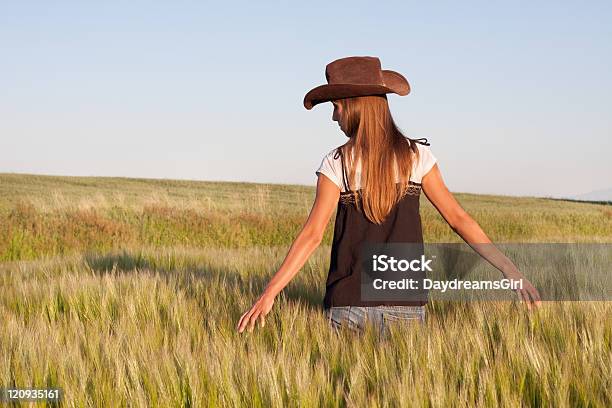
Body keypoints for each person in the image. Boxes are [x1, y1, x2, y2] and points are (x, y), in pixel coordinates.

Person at [236, 56, 541, 337]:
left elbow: (312, 235)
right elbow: (460, 220)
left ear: (354, 106)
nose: (333, 117)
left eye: (336, 107)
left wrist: (270, 292)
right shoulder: (417, 157)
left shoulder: (337, 164)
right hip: (404, 305)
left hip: (348, 304)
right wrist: (510, 271)